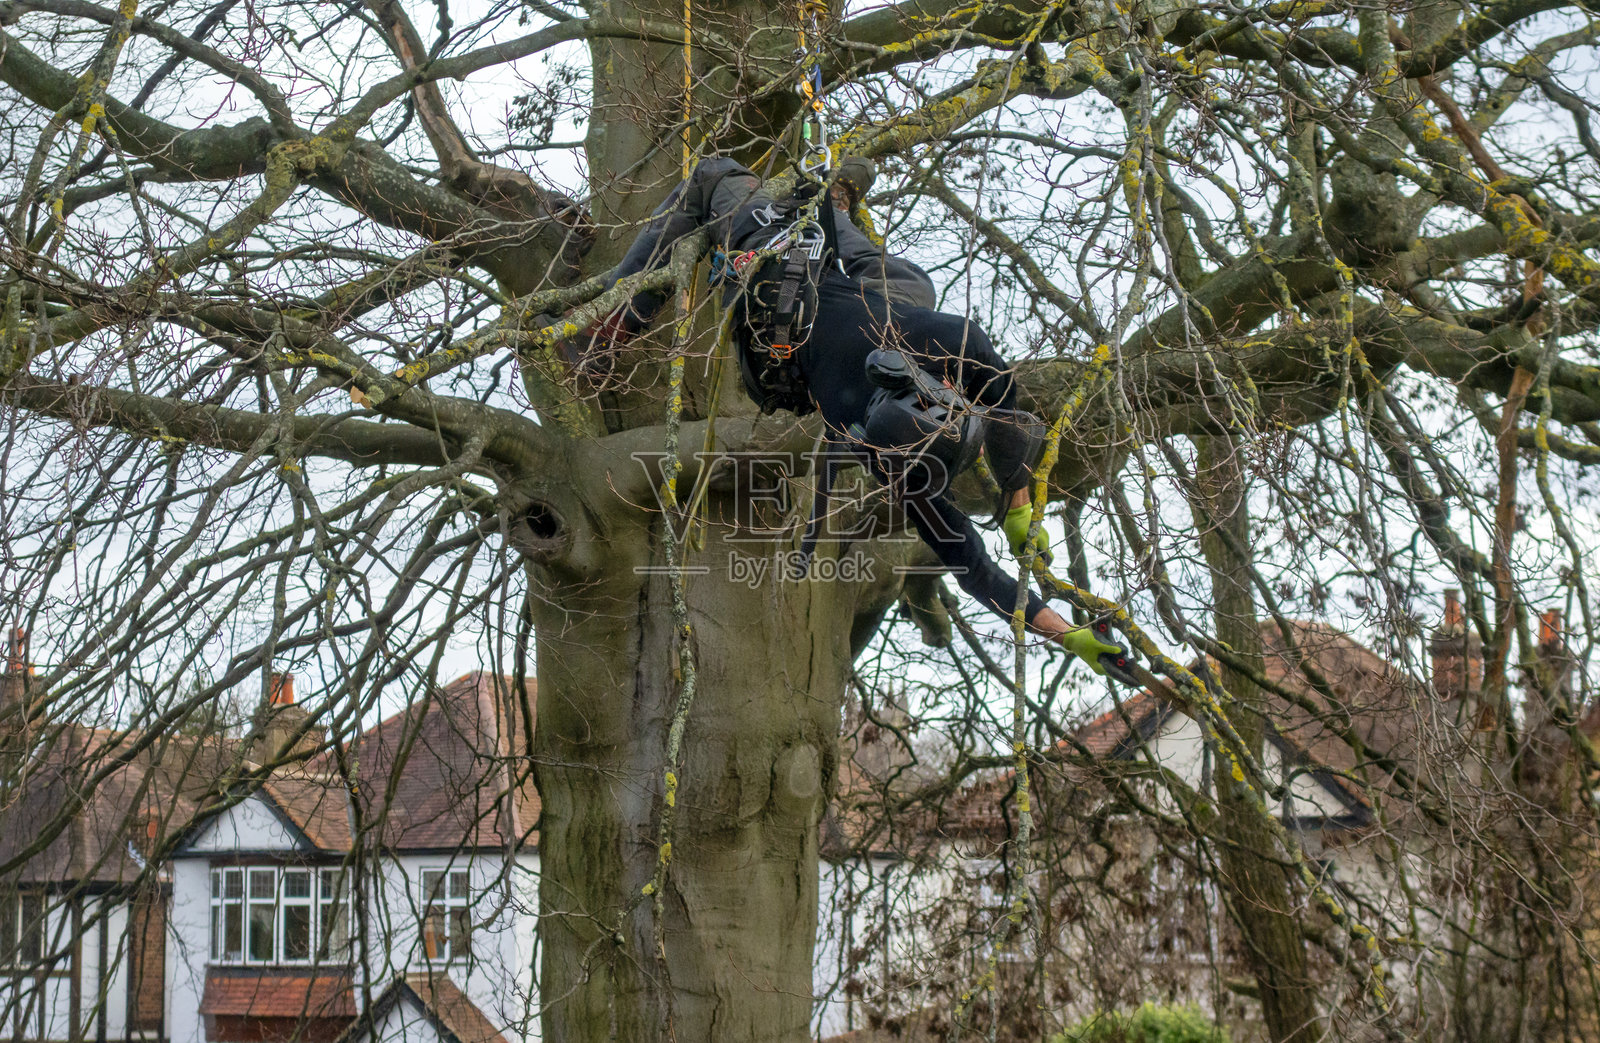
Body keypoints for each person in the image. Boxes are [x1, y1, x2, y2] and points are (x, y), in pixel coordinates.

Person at [578, 156, 1131, 678]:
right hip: (835, 315)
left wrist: (1017, 504)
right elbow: (977, 574)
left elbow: (1002, 407)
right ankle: (833, 203)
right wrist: (1068, 632)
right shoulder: (902, 461)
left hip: (776, 291)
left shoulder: (937, 341)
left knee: (711, 175)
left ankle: (615, 323)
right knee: (910, 285)